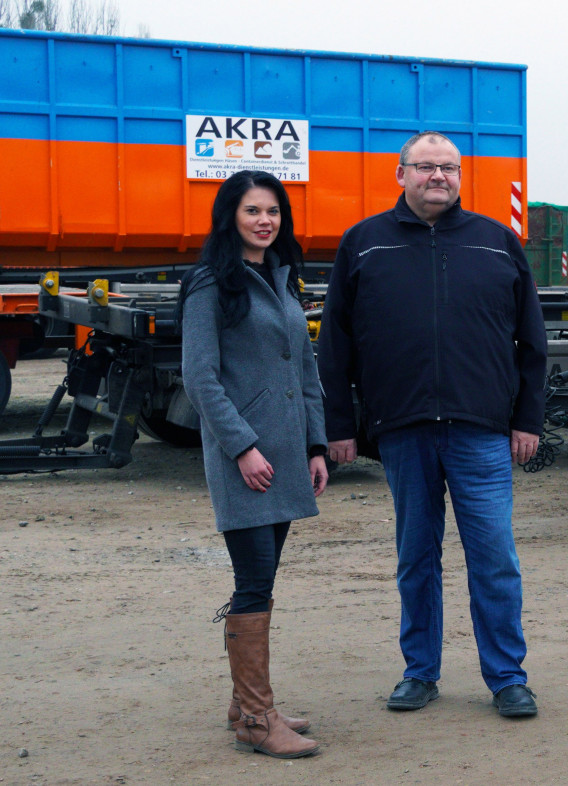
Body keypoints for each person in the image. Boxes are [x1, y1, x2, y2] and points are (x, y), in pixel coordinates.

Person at [317, 131, 547, 718]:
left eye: (448, 167)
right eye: (425, 167)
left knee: (493, 557)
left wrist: (527, 420)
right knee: (415, 557)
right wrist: (338, 425)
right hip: (403, 428)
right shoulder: (364, 245)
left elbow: (532, 344)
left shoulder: (497, 244)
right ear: (400, 175)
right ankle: (420, 671)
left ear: (461, 177)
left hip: (482, 430)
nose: (437, 177)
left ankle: (507, 677)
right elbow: (335, 346)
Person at [180, 170, 328, 757]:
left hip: (288, 456)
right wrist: (241, 447)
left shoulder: (283, 279)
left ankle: (247, 703)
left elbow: (306, 371)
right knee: (254, 582)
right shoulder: (210, 284)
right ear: (229, 217)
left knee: (262, 584)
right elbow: (200, 377)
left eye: (273, 211)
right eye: (252, 211)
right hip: (246, 459)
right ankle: (258, 721)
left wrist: (316, 445)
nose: (265, 221)